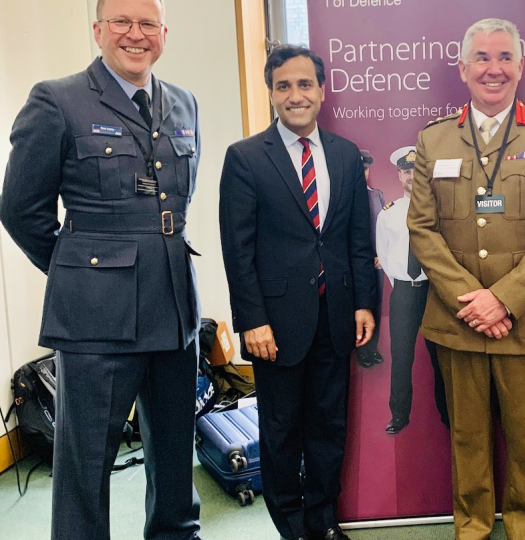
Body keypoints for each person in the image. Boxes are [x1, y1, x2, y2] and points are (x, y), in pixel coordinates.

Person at [0, 1, 203, 539]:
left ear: (164, 33)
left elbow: (175, 205)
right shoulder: (57, 100)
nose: (135, 35)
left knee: (176, 458)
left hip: (176, 309)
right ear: (97, 30)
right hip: (95, 321)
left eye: (148, 24)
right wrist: (84, 277)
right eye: (121, 22)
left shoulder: (184, 103)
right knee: (86, 466)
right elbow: (21, 209)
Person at [407, 18, 525, 540]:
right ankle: (474, 527)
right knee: (468, 434)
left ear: (521, 66)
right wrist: (473, 301)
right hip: (459, 320)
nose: (493, 69)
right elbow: (422, 229)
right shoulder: (433, 139)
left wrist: (502, 300)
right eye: (481, 58)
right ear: (462, 69)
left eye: (504, 57)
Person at [219, 44, 375, 540]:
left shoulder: (347, 155)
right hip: (276, 325)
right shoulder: (245, 158)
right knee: (282, 433)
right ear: (271, 93)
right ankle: (291, 527)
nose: (295, 95)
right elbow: (236, 249)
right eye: (283, 85)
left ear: (322, 91)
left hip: (336, 317)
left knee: (329, 428)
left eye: (304, 84)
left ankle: (323, 523)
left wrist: (365, 303)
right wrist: (251, 320)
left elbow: (356, 238)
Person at [375, 146, 448, 434]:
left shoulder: (440, 211)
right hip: (404, 291)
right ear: (399, 175)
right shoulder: (388, 214)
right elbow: (384, 252)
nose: (412, 177)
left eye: (418, 171)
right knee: (401, 356)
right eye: (407, 171)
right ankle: (399, 415)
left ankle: (447, 413)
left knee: (441, 356)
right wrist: (402, 284)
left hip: (434, 292)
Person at [355, 149, 386, 368]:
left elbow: (383, 230)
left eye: (365, 168)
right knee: (356, 308)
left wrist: (382, 255)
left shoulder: (377, 195)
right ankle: (358, 350)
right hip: (355, 262)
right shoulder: (344, 196)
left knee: (375, 305)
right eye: (359, 168)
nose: (363, 172)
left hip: (376, 262)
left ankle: (370, 349)